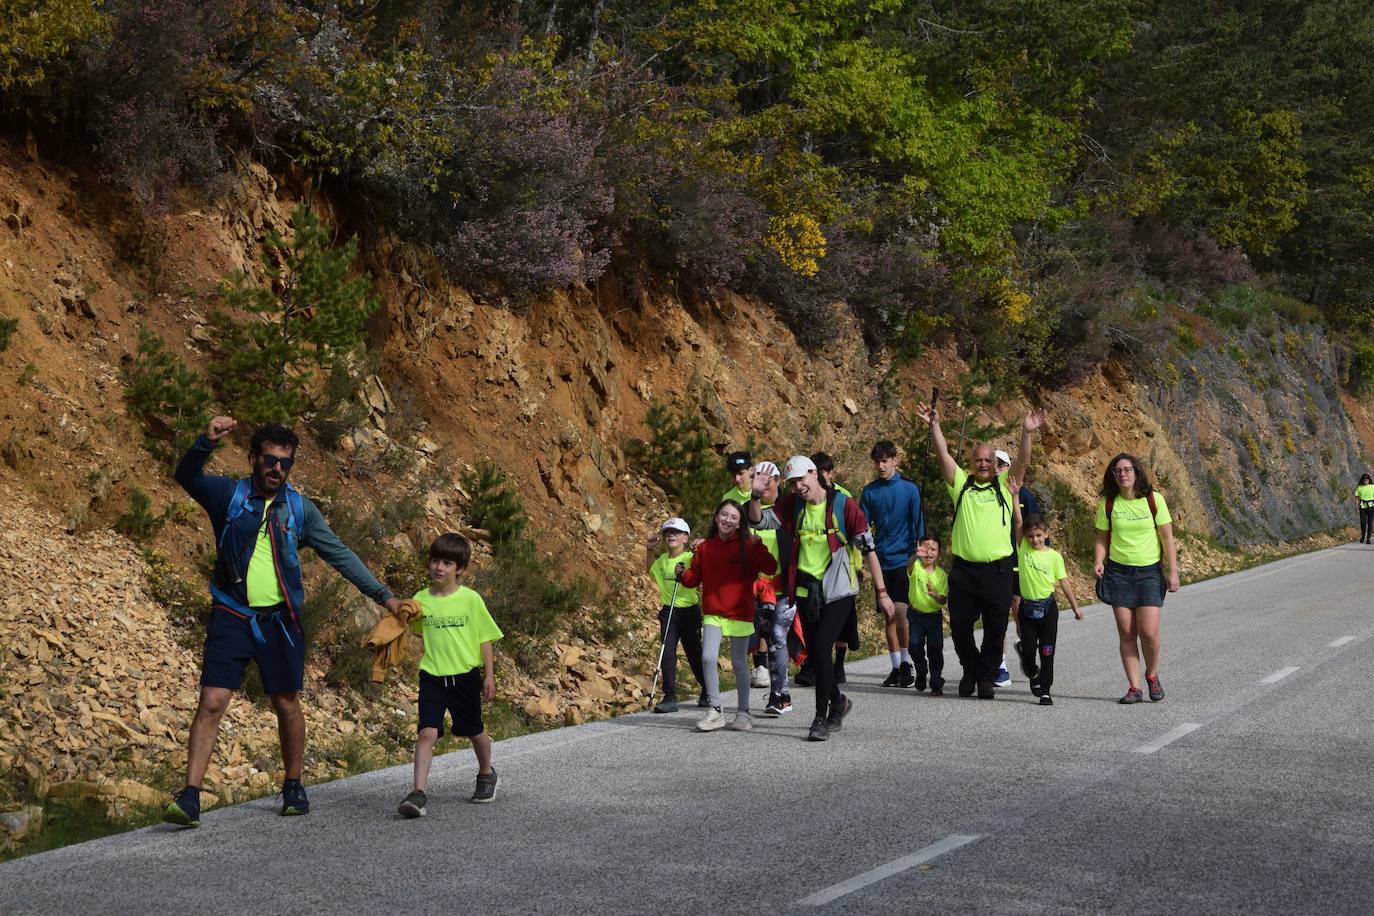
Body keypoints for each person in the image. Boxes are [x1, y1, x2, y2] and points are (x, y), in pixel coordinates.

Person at [163, 417, 401, 828]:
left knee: (286, 702)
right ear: (253, 458)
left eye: (285, 463)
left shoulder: (299, 510)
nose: (276, 469)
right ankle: (190, 797)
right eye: (270, 460)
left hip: (281, 622)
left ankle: (293, 784)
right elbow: (186, 475)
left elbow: (339, 553)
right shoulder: (228, 495)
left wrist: (384, 595)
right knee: (212, 701)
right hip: (232, 614)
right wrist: (206, 441)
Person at [749, 456, 895, 742]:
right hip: (805, 591)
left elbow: (869, 550)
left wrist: (882, 592)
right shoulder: (792, 506)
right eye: (793, 483)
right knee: (817, 653)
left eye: (803, 479)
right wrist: (755, 494)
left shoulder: (843, 505)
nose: (799, 486)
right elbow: (759, 519)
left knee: (820, 648)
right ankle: (838, 701)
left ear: (815, 474)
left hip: (838, 590)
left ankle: (821, 718)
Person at [917, 404, 1046, 700]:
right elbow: (943, 455)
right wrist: (934, 425)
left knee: (996, 628)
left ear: (995, 463)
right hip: (964, 571)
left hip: (998, 570)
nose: (984, 464)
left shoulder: (1004, 485)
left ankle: (986, 678)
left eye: (989, 460)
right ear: (972, 463)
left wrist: (1027, 432)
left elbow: (1023, 462)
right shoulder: (961, 484)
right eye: (979, 460)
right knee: (961, 627)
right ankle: (971, 669)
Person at [397, 534, 504, 817]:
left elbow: (484, 639)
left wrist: (488, 676)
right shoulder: (420, 600)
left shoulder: (470, 599)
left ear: (460, 569)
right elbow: (414, 630)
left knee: (473, 730)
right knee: (426, 733)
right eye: (435, 561)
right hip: (432, 677)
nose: (439, 567)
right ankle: (418, 793)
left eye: (447, 563)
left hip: (465, 677)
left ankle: (486, 773)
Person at [677, 500, 777, 732]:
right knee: (709, 658)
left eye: (733, 517)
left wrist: (758, 544)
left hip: (740, 612)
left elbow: (771, 567)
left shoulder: (748, 546)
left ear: (740, 522)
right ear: (716, 517)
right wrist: (682, 575)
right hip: (713, 612)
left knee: (739, 662)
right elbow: (694, 579)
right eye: (724, 514)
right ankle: (715, 710)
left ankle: (743, 712)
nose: (727, 520)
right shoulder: (705, 548)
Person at [1093, 453, 1180, 704]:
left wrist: (1172, 571)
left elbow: (1167, 538)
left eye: (1127, 469)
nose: (1123, 474)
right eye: (1118, 471)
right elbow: (1102, 538)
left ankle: (1152, 675)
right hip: (1118, 573)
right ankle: (1134, 687)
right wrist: (1098, 561)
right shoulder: (1108, 504)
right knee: (1127, 632)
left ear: (1136, 472)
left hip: (1149, 573)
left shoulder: (1154, 500)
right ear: (1113, 476)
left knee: (1149, 633)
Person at [860, 440, 925, 689]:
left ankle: (908, 663)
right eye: (877, 461)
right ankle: (897, 667)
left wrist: (922, 556)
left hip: (904, 559)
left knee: (901, 612)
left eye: (885, 460)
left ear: (895, 460)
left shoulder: (910, 489)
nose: (880, 465)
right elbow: (863, 528)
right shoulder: (869, 492)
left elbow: (918, 524)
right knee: (888, 616)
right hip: (881, 559)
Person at [1015, 514, 1082, 706]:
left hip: (1048, 610)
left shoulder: (1054, 557)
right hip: (1027, 609)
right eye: (1030, 536)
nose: (1034, 539)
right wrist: (1015, 495)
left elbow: (1064, 583)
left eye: (1038, 535)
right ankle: (1033, 673)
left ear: (1046, 533)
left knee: (1047, 651)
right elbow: (1018, 522)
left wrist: (1075, 607)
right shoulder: (1024, 549)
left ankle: (1045, 690)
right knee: (1028, 651)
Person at [747, 461, 798, 717]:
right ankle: (778, 690)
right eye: (758, 480)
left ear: (778, 481)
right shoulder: (751, 510)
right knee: (762, 638)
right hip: (757, 589)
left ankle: (780, 694)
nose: (764, 485)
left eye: (768, 480)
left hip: (784, 587)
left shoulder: (789, 509)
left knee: (778, 637)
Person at [645, 517, 706, 713]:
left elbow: (702, 569)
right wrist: (649, 550)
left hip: (689, 612)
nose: (671, 536)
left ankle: (707, 690)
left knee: (694, 652)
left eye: (677, 533)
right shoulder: (662, 560)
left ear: (686, 538)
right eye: (668, 533)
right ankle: (670, 696)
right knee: (667, 652)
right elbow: (650, 570)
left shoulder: (689, 558)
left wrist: (700, 550)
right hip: (668, 611)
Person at [722, 450, 769, 687]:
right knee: (751, 616)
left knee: (768, 617)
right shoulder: (728, 497)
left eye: (741, 473)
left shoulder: (762, 489)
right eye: (733, 475)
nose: (737, 479)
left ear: (751, 469)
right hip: (743, 567)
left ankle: (766, 664)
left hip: (769, 564)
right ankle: (757, 665)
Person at [995, 447, 1038, 687]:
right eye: (994, 465)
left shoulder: (1025, 496)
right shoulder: (987, 495)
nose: (997, 469)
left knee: (1020, 610)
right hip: (996, 565)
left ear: (1010, 468)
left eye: (1001, 465)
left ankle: (1026, 647)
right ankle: (999, 665)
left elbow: (1037, 528)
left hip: (1021, 563)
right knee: (998, 615)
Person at [907, 535, 948, 695]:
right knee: (914, 647)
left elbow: (943, 600)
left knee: (935, 649)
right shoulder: (916, 566)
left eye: (933, 549)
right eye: (925, 548)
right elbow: (908, 566)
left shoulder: (942, 575)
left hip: (933, 617)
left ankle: (936, 681)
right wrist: (916, 555)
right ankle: (921, 669)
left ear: (938, 553)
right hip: (916, 616)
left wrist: (935, 594)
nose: (929, 553)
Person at [1358, 474, 1374, 544]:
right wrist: (1357, 508)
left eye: (1367, 480)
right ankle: (1363, 536)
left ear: (1369, 480)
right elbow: (1356, 499)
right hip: (1362, 507)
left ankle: (1368, 538)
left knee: (1370, 523)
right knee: (1363, 522)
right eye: (1364, 480)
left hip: (1371, 506)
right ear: (1362, 480)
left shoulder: (1373, 487)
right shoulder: (1359, 487)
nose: (1365, 482)